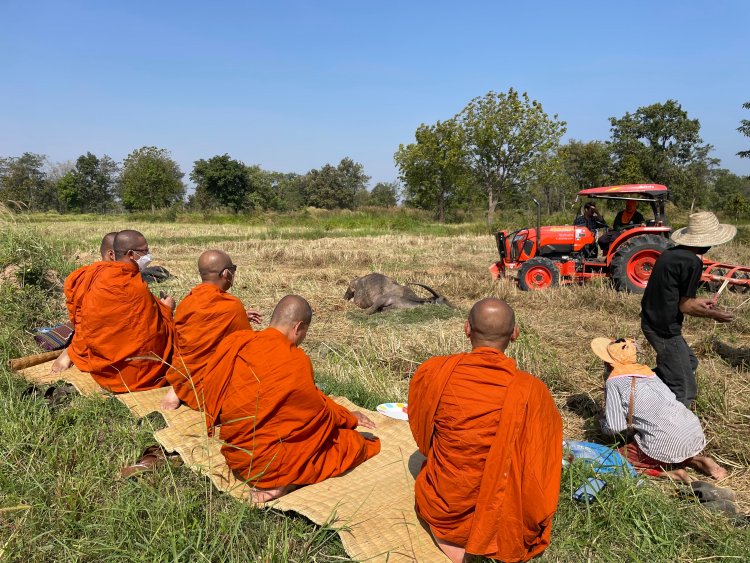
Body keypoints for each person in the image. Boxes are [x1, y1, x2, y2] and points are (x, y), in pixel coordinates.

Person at [408, 298, 563, 563]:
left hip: (445, 504)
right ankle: (485, 536)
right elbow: (541, 460)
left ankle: (454, 540)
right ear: (515, 334)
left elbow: (423, 434)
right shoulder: (533, 391)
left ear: (467, 329)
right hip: (503, 511)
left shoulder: (434, 371)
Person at [201, 295, 380, 503]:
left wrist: (343, 413)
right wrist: (347, 419)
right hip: (270, 466)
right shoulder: (295, 360)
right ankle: (282, 483)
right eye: (305, 332)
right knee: (352, 444)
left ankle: (278, 479)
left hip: (237, 457)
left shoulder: (237, 343)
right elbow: (316, 414)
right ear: (298, 327)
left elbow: (214, 389)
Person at [592, 337, 727, 481]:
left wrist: (601, 422)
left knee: (612, 460)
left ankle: (672, 474)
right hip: (691, 431)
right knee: (670, 444)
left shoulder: (614, 382)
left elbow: (615, 427)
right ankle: (699, 460)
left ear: (608, 363)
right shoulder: (649, 374)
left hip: (666, 439)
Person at [57, 229, 175, 392]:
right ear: (131, 254)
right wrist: (167, 310)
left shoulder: (99, 277)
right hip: (134, 373)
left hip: (100, 362)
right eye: (145, 251)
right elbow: (153, 335)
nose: (148, 255)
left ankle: (70, 352)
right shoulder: (132, 287)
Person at [641, 212, 736, 407]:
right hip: (664, 330)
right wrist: (714, 315)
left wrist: (699, 302)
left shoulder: (670, 254)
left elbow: (678, 297)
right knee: (685, 389)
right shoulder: (692, 262)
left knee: (690, 363)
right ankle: (670, 419)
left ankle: (644, 386)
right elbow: (685, 305)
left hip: (651, 321)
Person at [161, 250, 261, 411]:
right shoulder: (232, 306)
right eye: (233, 269)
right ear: (226, 273)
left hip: (185, 378)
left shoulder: (188, 301)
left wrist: (240, 315)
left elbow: (186, 338)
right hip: (212, 389)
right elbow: (247, 348)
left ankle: (178, 387)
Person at [51, 231, 118, 373]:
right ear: (111, 254)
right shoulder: (94, 278)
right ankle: (72, 350)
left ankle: (73, 348)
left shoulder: (126, 276)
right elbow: (89, 319)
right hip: (96, 334)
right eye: (129, 253)